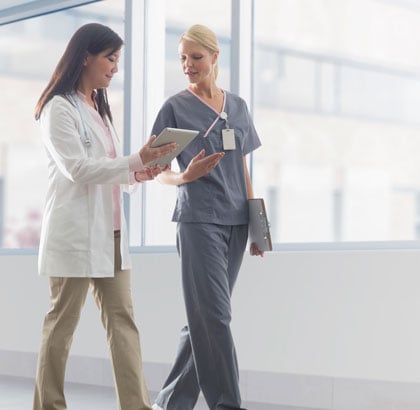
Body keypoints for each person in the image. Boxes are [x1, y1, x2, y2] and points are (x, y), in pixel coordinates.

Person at [32, 22, 176, 410]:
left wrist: (140, 172)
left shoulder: (100, 109)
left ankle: (136, 406)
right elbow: (78, 169)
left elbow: (109, 168)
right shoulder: (56, 109)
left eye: (117, 61)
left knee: (123, 324)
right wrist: (134, 160)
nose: (115, 68)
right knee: (61, 328)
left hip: (110, 235)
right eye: (110, 59)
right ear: (85, 57)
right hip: (75, 235)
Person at [150, 24, 264, 410]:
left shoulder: (238, 107)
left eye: (196, 58)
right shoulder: (175, 107)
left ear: (215, 58)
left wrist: (258, 227)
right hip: (198, 220)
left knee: (203, 320)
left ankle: (170, 403)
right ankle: (228, 405)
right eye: (182, 58)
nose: (187, 65)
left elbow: (244, 168)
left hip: (236, 222)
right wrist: (185, 176)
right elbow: (155, 169)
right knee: (215, 318)